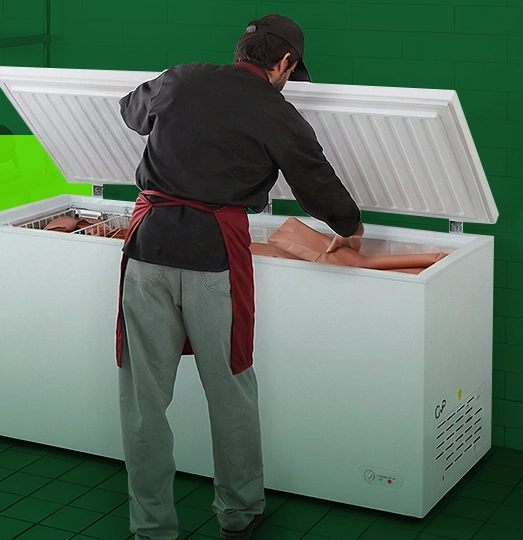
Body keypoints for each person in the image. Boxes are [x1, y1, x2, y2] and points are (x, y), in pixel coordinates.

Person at [114, 14, 364, 540]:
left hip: (149, 248)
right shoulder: (276, 110)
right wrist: (351, 228)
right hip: (213, 257)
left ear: (241, 51)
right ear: (284, 63)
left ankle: (151, 528)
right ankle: (240, 513)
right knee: (230, 389)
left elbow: (130, 110)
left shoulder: (181, 77)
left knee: (143, 400)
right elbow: (316, 181)